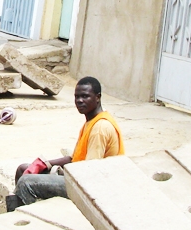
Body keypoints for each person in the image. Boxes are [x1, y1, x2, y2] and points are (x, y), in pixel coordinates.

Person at [8, 76, 125, 210]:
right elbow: (73, 158)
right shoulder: (91, 122)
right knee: (23, 170)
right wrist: (44, 164)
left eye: (85, 96)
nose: (80, 101)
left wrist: (62, 174)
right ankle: (16, 214)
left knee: (26, 182)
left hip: (95, 187)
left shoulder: (100, 128)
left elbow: (89, 172)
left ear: (97, 97)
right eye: (77, 97)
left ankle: (24, 221)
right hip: (81, 177)